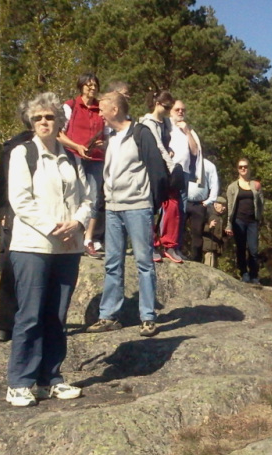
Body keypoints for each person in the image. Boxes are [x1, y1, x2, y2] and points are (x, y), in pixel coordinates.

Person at [5, 92, 91, 406]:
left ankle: (50, 378)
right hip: (32, 246)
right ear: (31, 121)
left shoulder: (73, 158)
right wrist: (56, 229)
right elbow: (21, 201)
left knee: (57, 315)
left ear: (59, 121)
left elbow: (88, 199)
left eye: (50, 117)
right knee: (30, 315)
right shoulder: (22, 154)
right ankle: (19, 382)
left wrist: (78, 223)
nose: (44, 122)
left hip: (68, 249)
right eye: (38, 117)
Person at [85, 92, 167, 337]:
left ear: (114, 110)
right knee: (112, 263)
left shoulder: (141, 133)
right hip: (112, 208)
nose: (99, 113)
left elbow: (158, 170)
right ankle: (108, 315)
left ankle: (148, 317)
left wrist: (152, 204)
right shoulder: (111, 137)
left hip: (138, 207)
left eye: (102, 109)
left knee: (144, 262)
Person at [0, 101, 34, 342]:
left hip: (42, 213)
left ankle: (27, 323)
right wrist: (2, 211)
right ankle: (6, 325)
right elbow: (0, 182)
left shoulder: (55, 146)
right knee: (10, 267)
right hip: (13, 213)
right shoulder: (14, 146)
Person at [57, 73, 105, 259]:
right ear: (81, 86)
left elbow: (108, 134)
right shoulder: (70, 106)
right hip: (73, 156)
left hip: (96, 159)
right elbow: (58, 134)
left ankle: (88, 239)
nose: (92, 88)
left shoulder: (101, 108)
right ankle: (70, 235)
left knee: (93, 198)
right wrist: (76, 146)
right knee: (72, 195)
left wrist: (103, 144)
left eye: (95, 85)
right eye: (88, 85)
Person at [139, 91, 176, 263]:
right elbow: (158, 146)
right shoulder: (148, 122)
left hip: (164, 168)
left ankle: (164, 244)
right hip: (151, 169)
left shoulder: (167, 123)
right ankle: (149, 244)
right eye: (166, 107)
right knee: (150, 207)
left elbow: (168, 145)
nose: (168, 110)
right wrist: (171, 165)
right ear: (158, 104)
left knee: (166, 207)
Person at [167, 99, 204, 262]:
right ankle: (161, 243)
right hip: (168, 172)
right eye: (177, 109)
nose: (180, 112)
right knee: (166, 210)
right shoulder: (166, 126)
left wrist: (187, 131)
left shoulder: (188, 129)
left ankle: (176, 246)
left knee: (180, 211)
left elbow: (195, 151)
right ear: (170, 111)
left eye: (183, 110)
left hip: (185, 173)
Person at [225, 158, 264, 283]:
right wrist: (229, 225)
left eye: (245, 166)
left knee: (253, 249)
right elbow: (230, 207)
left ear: (249, 168)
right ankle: (244, 273)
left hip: (252, 221)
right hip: (238, 221)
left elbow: (261, 203)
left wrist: (259, 219)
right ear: (237, 169)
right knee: (240, 248)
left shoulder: (256, 185)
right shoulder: (232, 187)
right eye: (240, 167)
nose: (243, 169)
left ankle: (254, 275)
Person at [185, 155, 219, 262]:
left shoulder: (209, 165)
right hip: (184, 201)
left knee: (197, 233)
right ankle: (179, 252)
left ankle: (196, 259)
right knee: (178, 229)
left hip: (200, 204)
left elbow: (214, 184)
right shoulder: (185, 161)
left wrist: (209, 201)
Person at [203, 196, 228, 268]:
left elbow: (219, 233)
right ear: (215, 205)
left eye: (225, 206)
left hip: (215, 248)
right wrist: (209, 226)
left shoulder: (219, 218)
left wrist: (226, 233)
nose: (224, 208)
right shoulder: (208, 215)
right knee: (209, 269)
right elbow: (200, 227)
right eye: (222, 205)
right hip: (209, 248)